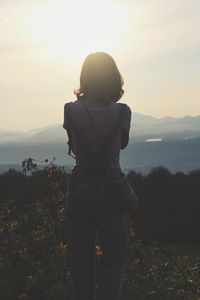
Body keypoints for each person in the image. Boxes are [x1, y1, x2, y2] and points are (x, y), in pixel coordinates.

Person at [63, 52, 132, 300]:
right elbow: (121, 145)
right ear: (114, 78)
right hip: (111, 190)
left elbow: (74, 143)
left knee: (81, 266)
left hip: (79, 190)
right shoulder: (122, 112)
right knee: (113, 263)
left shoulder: (70, 111)